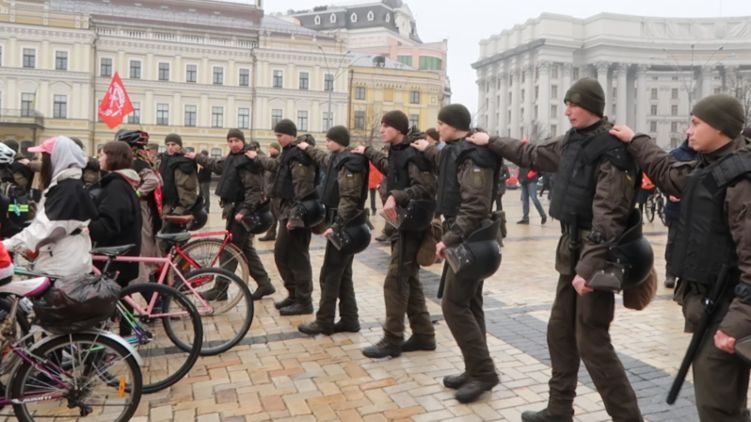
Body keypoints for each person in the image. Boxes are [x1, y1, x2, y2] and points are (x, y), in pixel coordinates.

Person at [469, 78, 643, 421]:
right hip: (572, 252)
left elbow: (609, 214)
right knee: (560, 332)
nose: (567, 111)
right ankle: (559, 409)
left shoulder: (612, 150)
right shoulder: (572, 142)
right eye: (566, 104)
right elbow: (531, 153)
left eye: (573, 105)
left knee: (592, 342)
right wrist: (492, 141)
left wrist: (588, 266)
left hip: (597, 255)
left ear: (592, 106)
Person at [610, 94, 750, 422]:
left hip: (728, 309)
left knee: (719, 409)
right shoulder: (709, 166)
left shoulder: (740, 180)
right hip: (711, 306)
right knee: (721, 403)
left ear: (721, 128)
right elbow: (666, 170)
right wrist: (635, 140)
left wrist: (734, 326)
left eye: (696, 123)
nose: (689, 131)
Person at [412, 104, 501, 403]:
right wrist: (425, 147)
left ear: (453, 125)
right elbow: (442, 156)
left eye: (441, 123)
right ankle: (474, 368)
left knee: (453, 305)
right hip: (467, 238)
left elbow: (475, 206)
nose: (437, 128)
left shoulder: (474, 156)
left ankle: (484, 373)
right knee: (471, 304)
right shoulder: (455, 150)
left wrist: (449, 238)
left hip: (471, 239)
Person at [352, 110, 436, 358]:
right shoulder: (399, 150)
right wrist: (367, 152)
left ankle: (392, 339)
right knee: (408, 279)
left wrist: (396, 195)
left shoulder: (415, 153)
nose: (381, 130)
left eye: (386, 126)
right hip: (403, 223)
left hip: (413, 223)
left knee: (396, 280)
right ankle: (424, 335)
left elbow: (425, 187)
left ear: (399, 129)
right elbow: (391, 168)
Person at [187, 129, 275, 301]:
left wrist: (244, 211)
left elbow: (254, 189)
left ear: (242, 142)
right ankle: (265, 284)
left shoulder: (247, 161)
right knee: (245, 250)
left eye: (237, 140)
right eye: (231, 141)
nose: (234, 144)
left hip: (243, 213)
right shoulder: (232, 159)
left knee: (229, 250)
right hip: (235, 211)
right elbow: (215, 164)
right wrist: (196, 156)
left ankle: (220, 289)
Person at [296, 126, 367, 335]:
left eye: (329, 140)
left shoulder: (350, 163)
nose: (326, 143)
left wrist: (336, 226)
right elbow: (322, 158)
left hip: (345, 226)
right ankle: (349, 320)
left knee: (329, 274)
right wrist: (307, 148)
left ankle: (324, 321)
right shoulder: (338, 159)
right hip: (344, 224)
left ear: (339, 141)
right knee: (343, 274)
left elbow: (349, 198)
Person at [247, 120, 319, 315]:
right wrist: (257, 158)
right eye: (276, 135)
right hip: (286, 212)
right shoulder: (288, 152)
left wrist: (294, 216)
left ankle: (304, 301)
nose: (276, 139)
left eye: (280, 135)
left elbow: (303, 189)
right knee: (282, 255)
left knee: (297, 257)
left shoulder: (300, 155)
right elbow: (275, 165)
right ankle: (294, 294)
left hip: (297, 215)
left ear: (291, 134)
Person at [3, 136, 97, 277]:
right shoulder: (70, 185)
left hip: (60, 264)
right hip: (64, 257)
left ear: (54, 160)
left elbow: (45, 229)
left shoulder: (66, 190)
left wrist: (7, 245)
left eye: (42, 159)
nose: (39, 164)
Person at [89, 141, 142, 286]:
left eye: (101, 155)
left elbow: (109, 224)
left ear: (112, 157)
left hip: (115, 260)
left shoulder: (116, 186)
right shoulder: (121, 182)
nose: (99, 159)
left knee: (113, 302)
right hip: (121, 258)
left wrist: (86, 227)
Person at [117, 130, 162, 283]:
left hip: (142, 208)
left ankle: (144, 282)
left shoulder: (137, 161)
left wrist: (136, 193)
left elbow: (154, 181)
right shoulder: (145, 160)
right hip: (148, 207)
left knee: (142, 245)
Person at [662, 139, 696, 288]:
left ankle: (687, 275)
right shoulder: (675, 155)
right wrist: (668, 193)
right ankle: (670, 274)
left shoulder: (706, 156)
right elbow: (663, 178)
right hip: (676, 210)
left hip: (696, 211)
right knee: (673, 242)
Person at [158, 133, 200, 232]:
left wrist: (181, 208)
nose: (170, 147)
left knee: (170, 237)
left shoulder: (185, 161)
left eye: (173, 144)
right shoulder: (163, 159)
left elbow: (188, 188)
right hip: (165, 203)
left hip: (178, 206)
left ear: (180, 145)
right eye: (167, 145)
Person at [517, 146, 547, 225]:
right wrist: (519, 178)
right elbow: (520, 169)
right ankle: (525, 218)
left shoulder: (533, 156)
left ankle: (543, 215)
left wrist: (531, 174)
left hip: (531, 180)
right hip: (523, 180)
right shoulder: (520, 157)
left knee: (534, 198)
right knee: (525, 200)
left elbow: (538, 167)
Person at [259, 142, 281, 242]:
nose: (270, 150)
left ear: (277, 149)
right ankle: (271, 234)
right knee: (272, 215)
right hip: (269, 193)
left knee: (279, 215)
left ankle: (282, 236)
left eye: (272, 148)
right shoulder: (269, 161)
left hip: (277, 194)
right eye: (270, 148)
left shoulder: (277, 162)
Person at [197, 150, 212, 214]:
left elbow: (203, 167)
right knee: (200, 195)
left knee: (206, 195)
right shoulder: (202, 162)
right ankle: (200, 207)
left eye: (202, 155)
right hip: (200, 180)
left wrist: (199, 165)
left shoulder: (208, 162)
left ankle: (207, 208)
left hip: (205, 181)